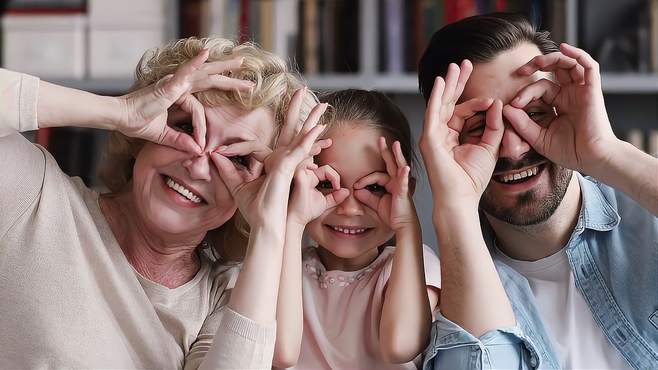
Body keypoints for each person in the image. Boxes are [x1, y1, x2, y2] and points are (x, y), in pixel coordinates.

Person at [0, 36, 329, 369]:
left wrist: (269, 224)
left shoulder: (226, 298)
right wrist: (119, 110)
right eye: (186, 127)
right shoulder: (36, 197)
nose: (198, 165)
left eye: (238, 159)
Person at [417, 13, 658, 369]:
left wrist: (605, 152)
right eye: (480, 126)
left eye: (535, 112)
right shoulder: (434, 290)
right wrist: (455, 205)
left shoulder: (648, 215)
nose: (513, 149)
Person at [270, 89, 441, 369]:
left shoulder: (413, 265)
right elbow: (279, 351)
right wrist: (293, 218)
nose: (349, 209)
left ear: (405, 193)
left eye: (374, 187)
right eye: (326, 183)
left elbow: (400, 346)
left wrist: (407, 225)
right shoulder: (283, 268)